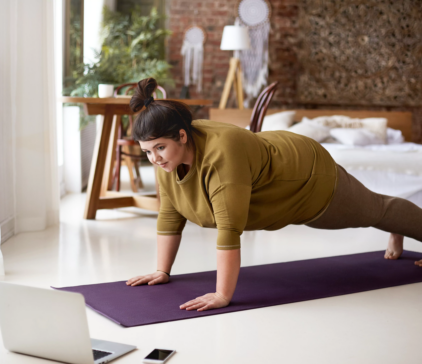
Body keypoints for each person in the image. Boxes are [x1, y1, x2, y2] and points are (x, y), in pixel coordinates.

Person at [125, 78, 422, 312]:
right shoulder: (168, 157)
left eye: (159, 148)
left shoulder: (222, 153)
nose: (154, 158)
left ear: (182, 135)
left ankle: (394, 222)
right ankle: (392, 223)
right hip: (278, 178)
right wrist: (161, 270)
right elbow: (170, 212)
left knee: (374, 211)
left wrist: (222, 294)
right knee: (374, 210)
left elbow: (230, 230)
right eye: (147, 152)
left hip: (307, 176)